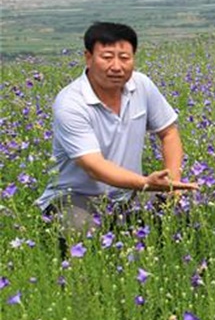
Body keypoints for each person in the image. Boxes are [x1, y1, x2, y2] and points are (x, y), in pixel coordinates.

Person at [36, 22, 198, 234]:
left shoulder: (142, 85)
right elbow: (93, 166)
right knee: (81, 229)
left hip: (129, 194)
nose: (116, 66)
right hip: (75, 197)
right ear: (88, 57)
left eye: (124, 58)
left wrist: (173, 184)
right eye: (106, 57)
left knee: (187, 208)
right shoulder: (71, 102)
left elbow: (169, 133)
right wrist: (144, 183)